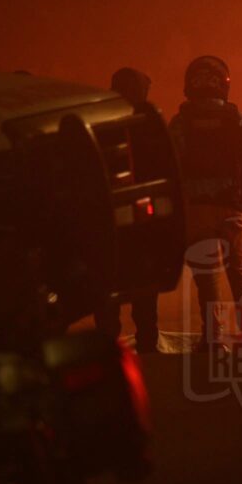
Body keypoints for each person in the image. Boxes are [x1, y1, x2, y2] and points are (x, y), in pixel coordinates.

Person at [168, 56, 242, 350]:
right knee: (240, 275)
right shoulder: (238, 120)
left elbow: (171, 167)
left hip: (196, 209)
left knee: (207, 280)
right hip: (232, 206)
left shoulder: (180, 123)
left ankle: (214, 338)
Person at [94, 67, 159, 352]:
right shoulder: (149, 122)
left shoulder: (99, 119)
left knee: (112, 280)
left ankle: (111, 343)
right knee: (144, 279)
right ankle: (147, 340)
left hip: (111, 216)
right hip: (142, 214)